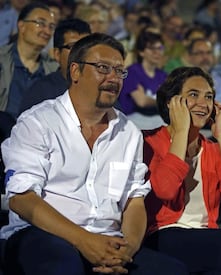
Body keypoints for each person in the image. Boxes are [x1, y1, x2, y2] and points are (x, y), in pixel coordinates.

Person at [0, 32, 187, 275]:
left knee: (172, 271)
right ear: (75, 71)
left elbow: (134, 201)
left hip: (108, 240)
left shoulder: (128, 132)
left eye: (120, 71)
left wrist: (125, 251)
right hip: (42, 235)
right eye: (103, 68)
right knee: (62, 265)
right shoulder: (38, 122)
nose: (113, 78)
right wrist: (84, 241)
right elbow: (21, 198)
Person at [142, 66, 221, 275]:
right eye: (193, 95)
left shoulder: (213, 150)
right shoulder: (147, 142)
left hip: (206, 238)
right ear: (172, 102)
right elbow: (165, 190)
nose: (203, 104)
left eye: (209, 97)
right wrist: (180, 131)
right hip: (160, 235)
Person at [19, 18, 91, 114]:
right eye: (73, 47)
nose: (82, 53)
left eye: (87, 47)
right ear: (57, 54)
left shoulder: (100, 86)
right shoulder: (40, 93)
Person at [0, 2, 59, 118]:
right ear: (21, 26)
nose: (47, 31)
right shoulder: (2, 60)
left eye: (51, 27)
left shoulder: (53, 69)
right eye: (40, 23)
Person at [119, 28, 167, 130]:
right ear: (141, 52)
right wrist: (163, 100)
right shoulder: (131, 72)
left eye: (160, 48)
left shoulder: (163, 76)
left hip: (156, 118)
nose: (157, 52)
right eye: (152, 48)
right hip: (133, 119)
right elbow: (142, 102)